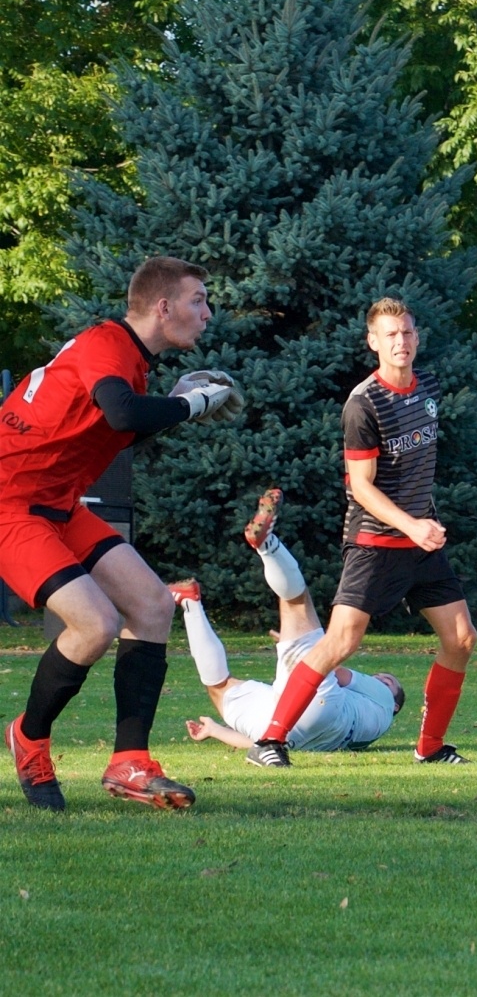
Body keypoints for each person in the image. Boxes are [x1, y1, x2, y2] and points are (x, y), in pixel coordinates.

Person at [2, 255, 242, 811]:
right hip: (11, 502)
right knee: (95, 625)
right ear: (163, 307)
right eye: (197, 300)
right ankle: (29, 738)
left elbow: (119, 427)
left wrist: (175, 400)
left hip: (55, 502)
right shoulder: (108, 346)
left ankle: (128, 763)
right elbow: (122, 414)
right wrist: (186, 405)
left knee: (154, 605)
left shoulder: (128, 360)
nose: (207, 312)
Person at [245, 297, 477, 769]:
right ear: (373, 342)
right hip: (374, 543)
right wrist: (412, 524)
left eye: (408, 333)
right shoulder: (363, 404)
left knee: (462, 639)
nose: (401, 342)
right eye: (390, 335)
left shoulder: (428, 387)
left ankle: (429, 748)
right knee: (341, 642)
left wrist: (421, 525)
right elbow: (362, 487)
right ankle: (269, 740)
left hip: (420, 545)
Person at [175, 490, 405, 755]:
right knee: (219, 688)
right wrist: (215, 731)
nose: (379, 678)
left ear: (396, 705)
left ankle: (266, 544)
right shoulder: (374, 727)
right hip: (297, 732)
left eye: (388, 681)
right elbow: (257, 741)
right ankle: (189, 603)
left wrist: (305, 643)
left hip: (320, 703)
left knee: (297, 602)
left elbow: (332, 668)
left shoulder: (384, 700)